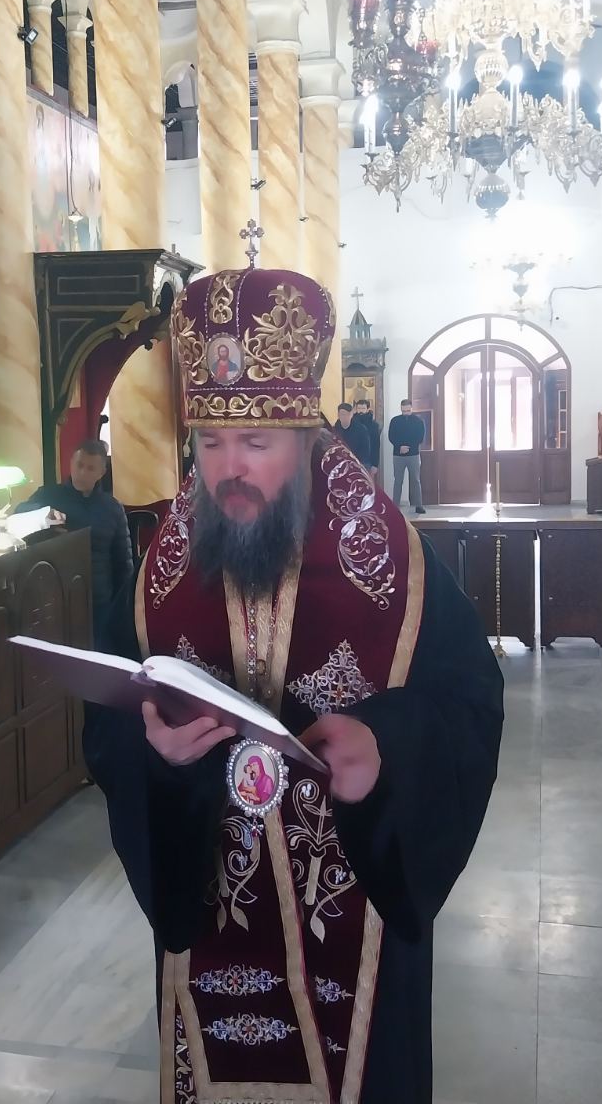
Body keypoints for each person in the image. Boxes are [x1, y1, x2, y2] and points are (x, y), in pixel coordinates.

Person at [85, 268, 504, 1102]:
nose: (228, 469)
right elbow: (112, 721)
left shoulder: (397, 566)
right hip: (212, 907)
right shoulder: (160, 575)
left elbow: (470, 706)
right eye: (209, 443)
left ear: (307, 439)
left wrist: (387, 747)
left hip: (356, 912)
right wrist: (155, 751)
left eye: (256, 444)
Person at [14, 439, 133, 622]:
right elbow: (19, 515)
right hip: (56, 598)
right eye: (79, 465)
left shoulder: (112, 508)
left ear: (101, 472)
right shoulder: (48, 495)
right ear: (71, 464)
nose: (82, 473)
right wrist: (44, 514)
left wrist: (123, 606)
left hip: (100, 600)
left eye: (90, 468)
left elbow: (123, 564)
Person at [387, 398, 427, 514]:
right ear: (401, 409)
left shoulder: (418, 421)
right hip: (398, 455)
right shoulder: (395, 421)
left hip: (413, 454)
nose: (406, 413)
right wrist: (400, 446)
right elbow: (391, 436)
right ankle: (395, 506)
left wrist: (408, 447)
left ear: (411, 408)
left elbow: (420, 437)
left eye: (408, 410)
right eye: (404, 411)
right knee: (398, 481)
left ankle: (419, 505)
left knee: (416, 480)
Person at [331, 402, 375, 467]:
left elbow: (365, 450)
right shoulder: (334, 430)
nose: (344, 417)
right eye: (342, 414)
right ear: (338, 415)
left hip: (359, 463)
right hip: (340, 464)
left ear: (351, 415)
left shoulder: (361, 429)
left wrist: (357, 462)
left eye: (347, 414)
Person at [352, 399, 382, 484]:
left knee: (368, 485)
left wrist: (375, 464)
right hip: (354, 460)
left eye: (363, 408)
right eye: (359, 408)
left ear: (368, 409)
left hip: (368, 461)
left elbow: (376, 445)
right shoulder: (351, 423)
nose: (361, 411)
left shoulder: (373, 425)